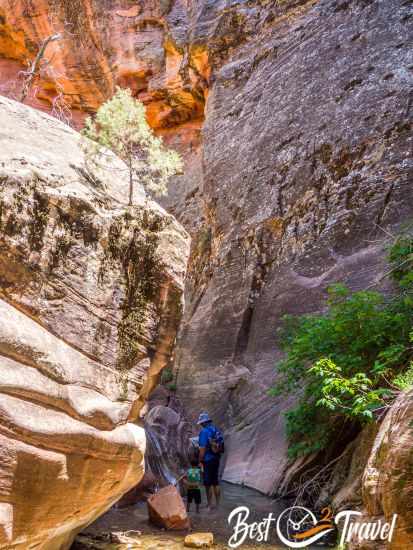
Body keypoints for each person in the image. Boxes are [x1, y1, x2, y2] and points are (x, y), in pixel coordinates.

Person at [197, 412, 224, 511]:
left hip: (207, 460)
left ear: (203, 423)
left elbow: (202, 449)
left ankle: (209, 505)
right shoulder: (215, 430)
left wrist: (200, 461)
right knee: (216, 482)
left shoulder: (204, 432)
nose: (200, 425)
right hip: (216, 458)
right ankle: (217, 505)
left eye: (201, 423)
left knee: (208, 484)